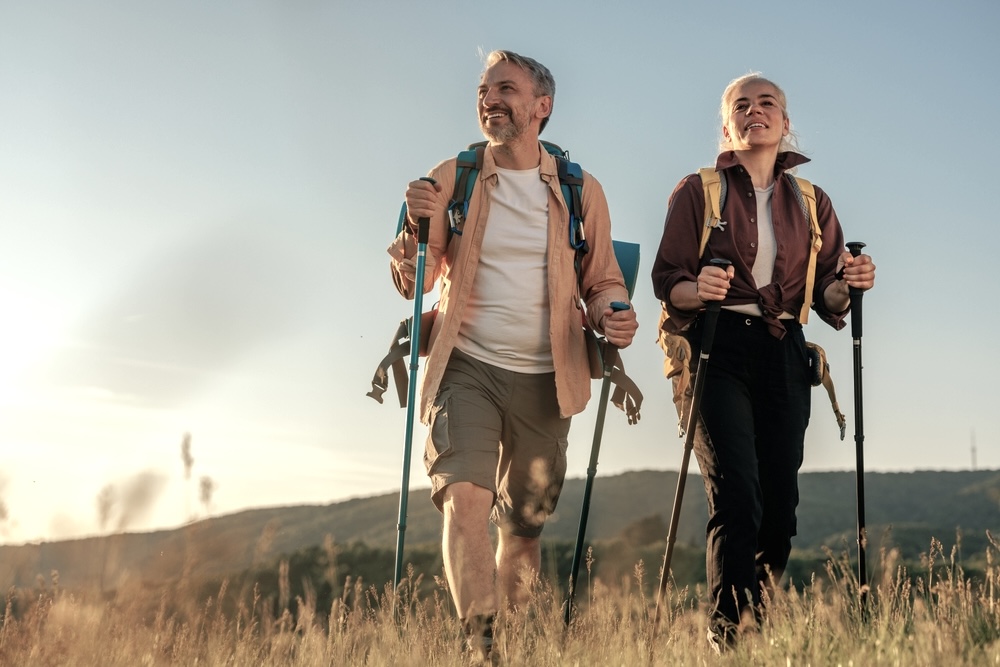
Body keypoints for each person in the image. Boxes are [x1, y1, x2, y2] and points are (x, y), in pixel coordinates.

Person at [388, 50, 637, 661]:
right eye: (483, 89)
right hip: (465, 365)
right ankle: (482, 649)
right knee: (464, 498)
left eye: (505, 88)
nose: (489, 99)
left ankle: (516, 647)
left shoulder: (580, 189)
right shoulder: (453, 176)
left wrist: (613, 313)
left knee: (522, 530)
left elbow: (602, 279)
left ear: (541, 106)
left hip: (548, 377)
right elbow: (418, 280)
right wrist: (414, 230)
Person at [651, 73, 876, 650]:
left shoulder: (812, 201)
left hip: (785, 350)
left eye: (766, 102)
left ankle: (757, 625)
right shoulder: (698, 190)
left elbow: (828, 296)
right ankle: (730, 638)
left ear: (785, 120)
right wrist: (698, 287)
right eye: (741, 105)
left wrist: (850, 281)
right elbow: (667, 278)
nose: (755, 111)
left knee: (779, 508)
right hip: (716, 345)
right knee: (737, 496)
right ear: (727, 125)